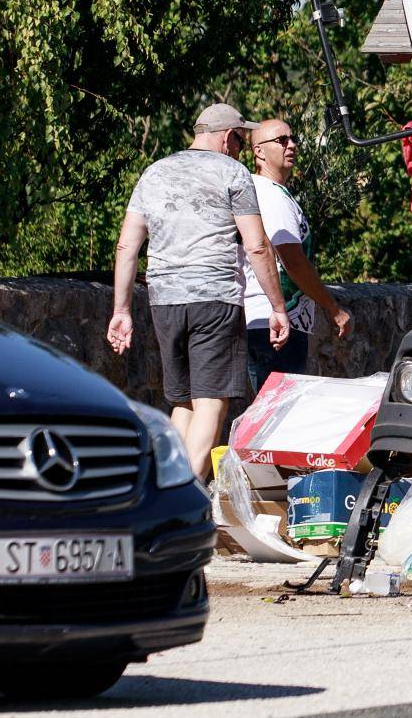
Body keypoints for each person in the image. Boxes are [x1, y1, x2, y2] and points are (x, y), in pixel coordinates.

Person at [107, 103, 289, 479]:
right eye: (240, 140)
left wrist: (121, 310)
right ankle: (184, 498)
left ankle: (161, 487)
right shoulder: (233, 173)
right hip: (215, 299)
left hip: (165, 300)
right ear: (227, 137)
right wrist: (277, 305)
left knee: (183, 402)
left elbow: (127, 246)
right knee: (210, 403)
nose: (240, 149)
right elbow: (256, 245)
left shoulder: (153, 173)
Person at [241, 118, 353, 390]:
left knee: (270, 414)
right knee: (278, 417)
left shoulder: (267, 191)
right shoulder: (271, 195)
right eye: (281, 140)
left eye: (293, 139)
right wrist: (333, 308)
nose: (291, 145)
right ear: (259, 151)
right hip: (276, 325)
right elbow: (293, 261)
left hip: (269, 323)